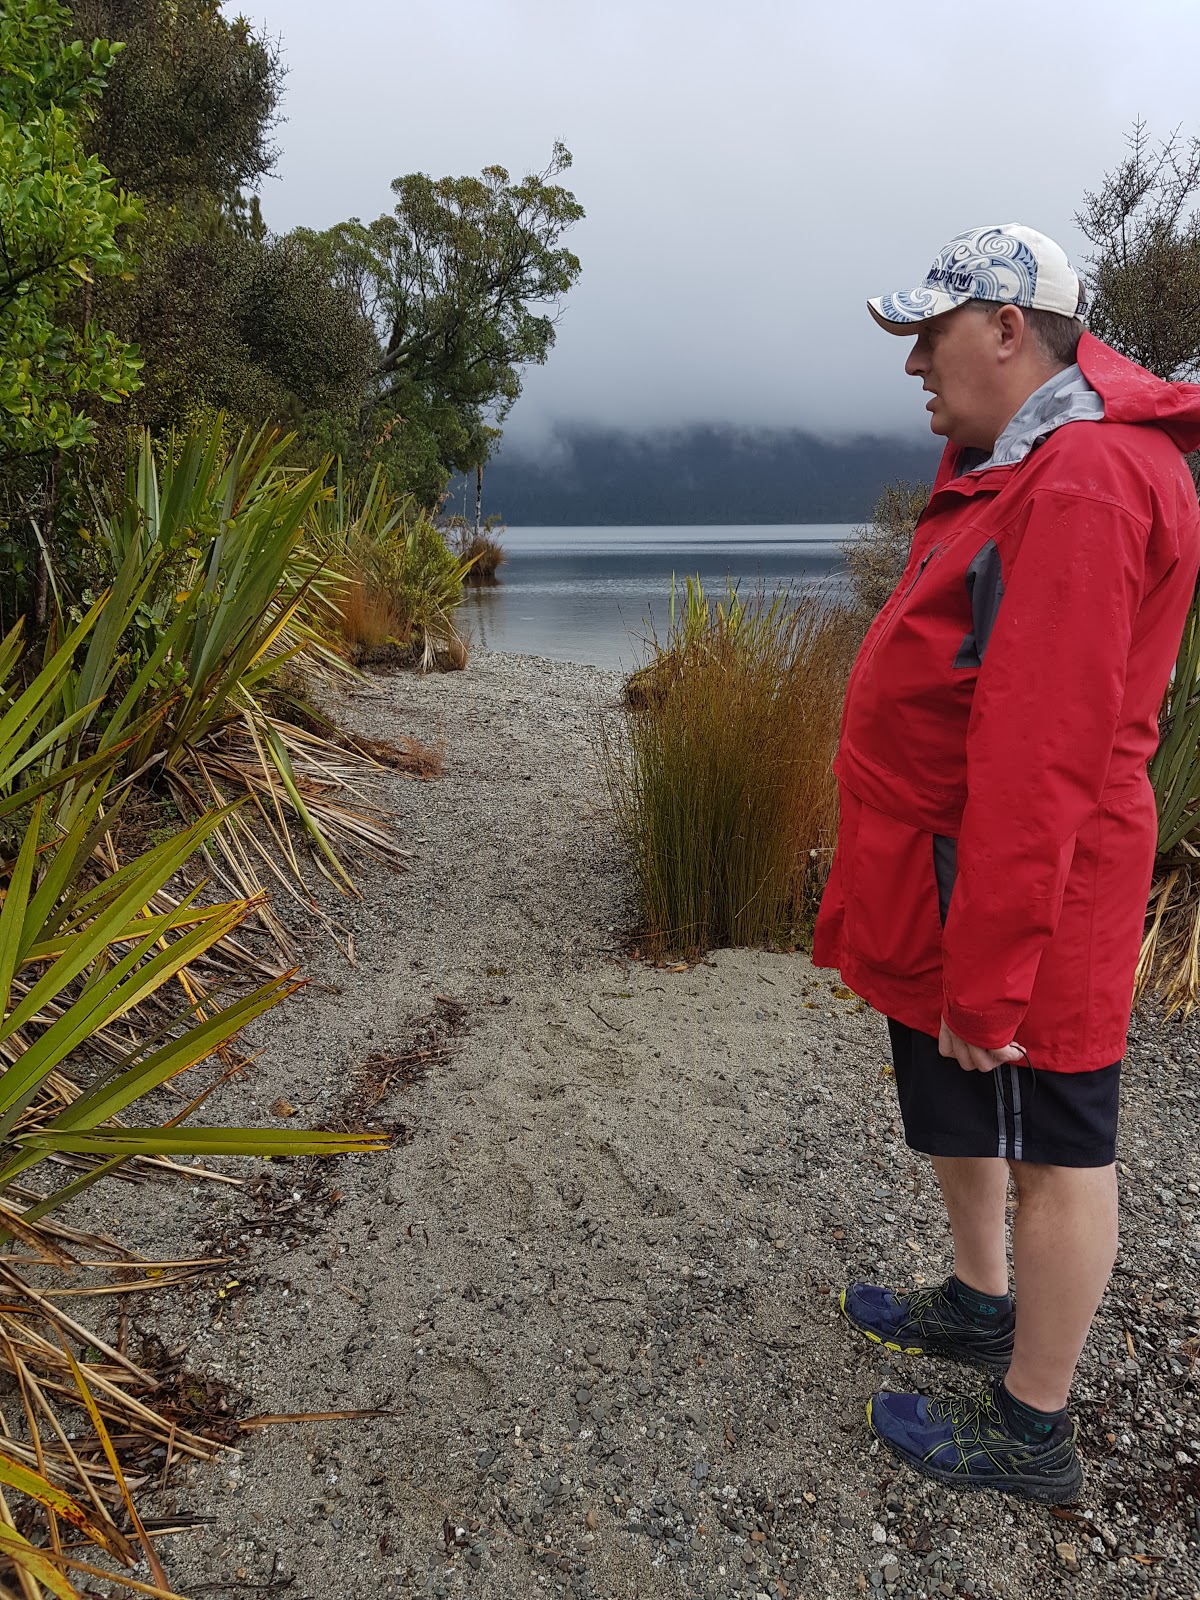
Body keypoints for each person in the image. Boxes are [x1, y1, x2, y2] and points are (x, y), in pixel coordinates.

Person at [812, 222, 1200, 1502]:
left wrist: (992, 967)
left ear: (1006, 329)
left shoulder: (1084, 481)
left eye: (929, 333)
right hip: (945, 871)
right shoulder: (1017, 456)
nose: (914, 362)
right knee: (964, 1106)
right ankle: (983, 1301)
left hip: (1028, 887)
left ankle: (1033, 1427)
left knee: (1058, 1149)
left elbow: (1045, 754)